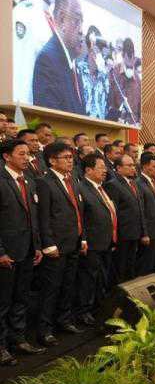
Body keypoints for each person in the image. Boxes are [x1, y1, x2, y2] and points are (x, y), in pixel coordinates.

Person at [36, 142, 86, 347]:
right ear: (51, 160)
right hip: (56, 245)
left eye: (71, 157)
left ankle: (63, 320)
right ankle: (44, 330)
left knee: (68, 285)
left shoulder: (72, 180)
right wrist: (48, 244)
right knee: (51, 289)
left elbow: (79, 212)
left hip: (73, 242)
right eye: (65, 157)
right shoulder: (44, 182)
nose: (70, 160)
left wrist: (82, 238)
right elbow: (43, 217)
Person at [0, 139, 45, 365]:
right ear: (7, 156)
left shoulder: (28, 180)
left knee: (21, 297)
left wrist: (37, 246)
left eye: (28, 154)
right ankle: (1, 346)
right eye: (21, 154)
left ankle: (18, 338)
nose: (26, 158)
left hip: (27, 250)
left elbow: (33, 217)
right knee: (3, 302)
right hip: (7, 253)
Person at [32, 0, 86, 115]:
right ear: (62, 20)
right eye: (77, 20)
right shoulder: (48, 60)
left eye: (82, 22)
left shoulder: (74, 66)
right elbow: (50, 119)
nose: (82, 31)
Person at [77, 153, 116, 326]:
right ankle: (83, 311)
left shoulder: (101, 187)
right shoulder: (81, 188)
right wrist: (84, 239)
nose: (105, 171)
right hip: (91, 243)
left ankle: (97, 308)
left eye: (105, 167)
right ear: (88, 170)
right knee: (88, 279)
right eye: (101, 167)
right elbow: (80, 218)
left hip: (105, 241)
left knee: (100, 278)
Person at [12, 0, 60, 105]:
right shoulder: (24, 14)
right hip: (32, 112)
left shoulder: (51, 19)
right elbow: (21, 80)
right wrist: (23, 117)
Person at [104, 154, 147, 283]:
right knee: (120, 267)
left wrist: (143, 231)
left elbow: (140, 208)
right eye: (129, 165)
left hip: (134, 232)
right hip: (122, 234)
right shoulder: (112, 185)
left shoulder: (133, 183)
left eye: (133, 165)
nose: (133, 168)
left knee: (130, 265)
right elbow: (113, 212)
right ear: (118, 168)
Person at [135, 153, 155, 277]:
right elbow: (141, 210)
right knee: (145, 265)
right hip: (149, 231)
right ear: (145, 167)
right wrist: (144, 233)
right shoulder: (138, 183)